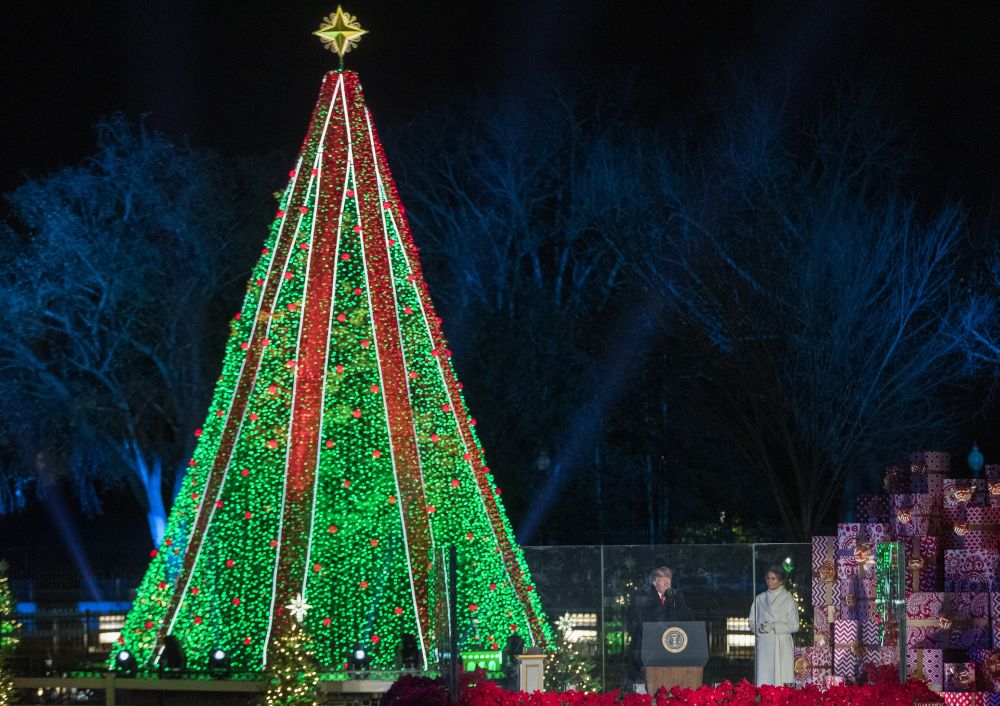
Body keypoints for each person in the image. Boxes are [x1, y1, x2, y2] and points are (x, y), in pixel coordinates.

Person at [625, 567, 693, 691]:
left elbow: (687, 620)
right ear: (654, 582)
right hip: (647, 650)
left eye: (669, 579)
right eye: (662, 579)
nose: (667, 582)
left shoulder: (677, 597)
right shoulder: (643, 597)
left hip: (672, 650)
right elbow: (636, 624)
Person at [749, 566, 799, 686]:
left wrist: (774, 626)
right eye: (768, 578)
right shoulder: (759, 599)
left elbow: (795, 625)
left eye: (773, 578)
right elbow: (751, 621)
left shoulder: (788, 600)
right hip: (765, 644)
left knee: (782, 678)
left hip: (782, 644)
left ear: (781, 580)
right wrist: (760, 628)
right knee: (764, 677)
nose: (770, 581)